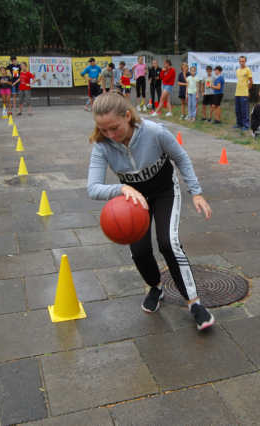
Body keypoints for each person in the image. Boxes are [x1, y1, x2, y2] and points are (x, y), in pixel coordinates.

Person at [87, 92, 215, 331]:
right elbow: (93, 188)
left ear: (128, 116)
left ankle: (195, 303)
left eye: (114, 128)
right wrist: (122, 187)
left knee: (168, 244)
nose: (110, 135)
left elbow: (181, 157)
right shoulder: (102, 146)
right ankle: (156, 287)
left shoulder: (155, 132)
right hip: (134, 198)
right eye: (103, 130)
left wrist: (196, 192)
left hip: (165, 191)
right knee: (140, 250)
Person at [234, 55, 253, 131]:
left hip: (244, 93)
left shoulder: (248, 70)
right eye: (240, 61)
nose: (241, 62)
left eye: (243, 61)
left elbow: (251, 82)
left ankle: (246, 125)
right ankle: (239, 124)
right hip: (237, 92)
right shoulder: (238, 70)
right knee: (237, 110)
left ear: (245, 61)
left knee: (244, 110)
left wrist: (247, 90)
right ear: (239, 62)